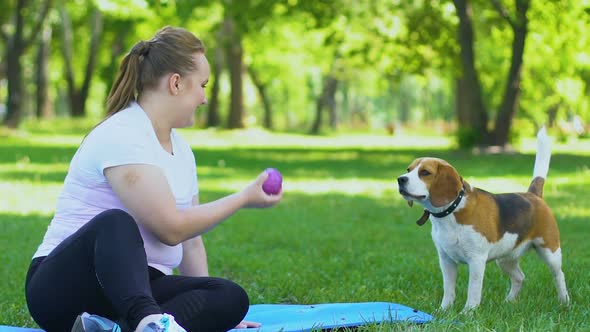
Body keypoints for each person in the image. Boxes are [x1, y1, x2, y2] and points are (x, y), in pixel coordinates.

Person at [24, 26, 282, 332]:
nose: (203, 98)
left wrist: (216, 313)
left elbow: (191, 242)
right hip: (63, 287)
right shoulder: (122, 133)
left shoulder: (183, 151)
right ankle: (147, 321)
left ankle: (114, 327)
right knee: (116, 223)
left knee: (229, 297)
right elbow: (171, 228)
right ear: (175, 83)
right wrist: (242, 198)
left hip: (131, 290)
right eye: (202, 85)